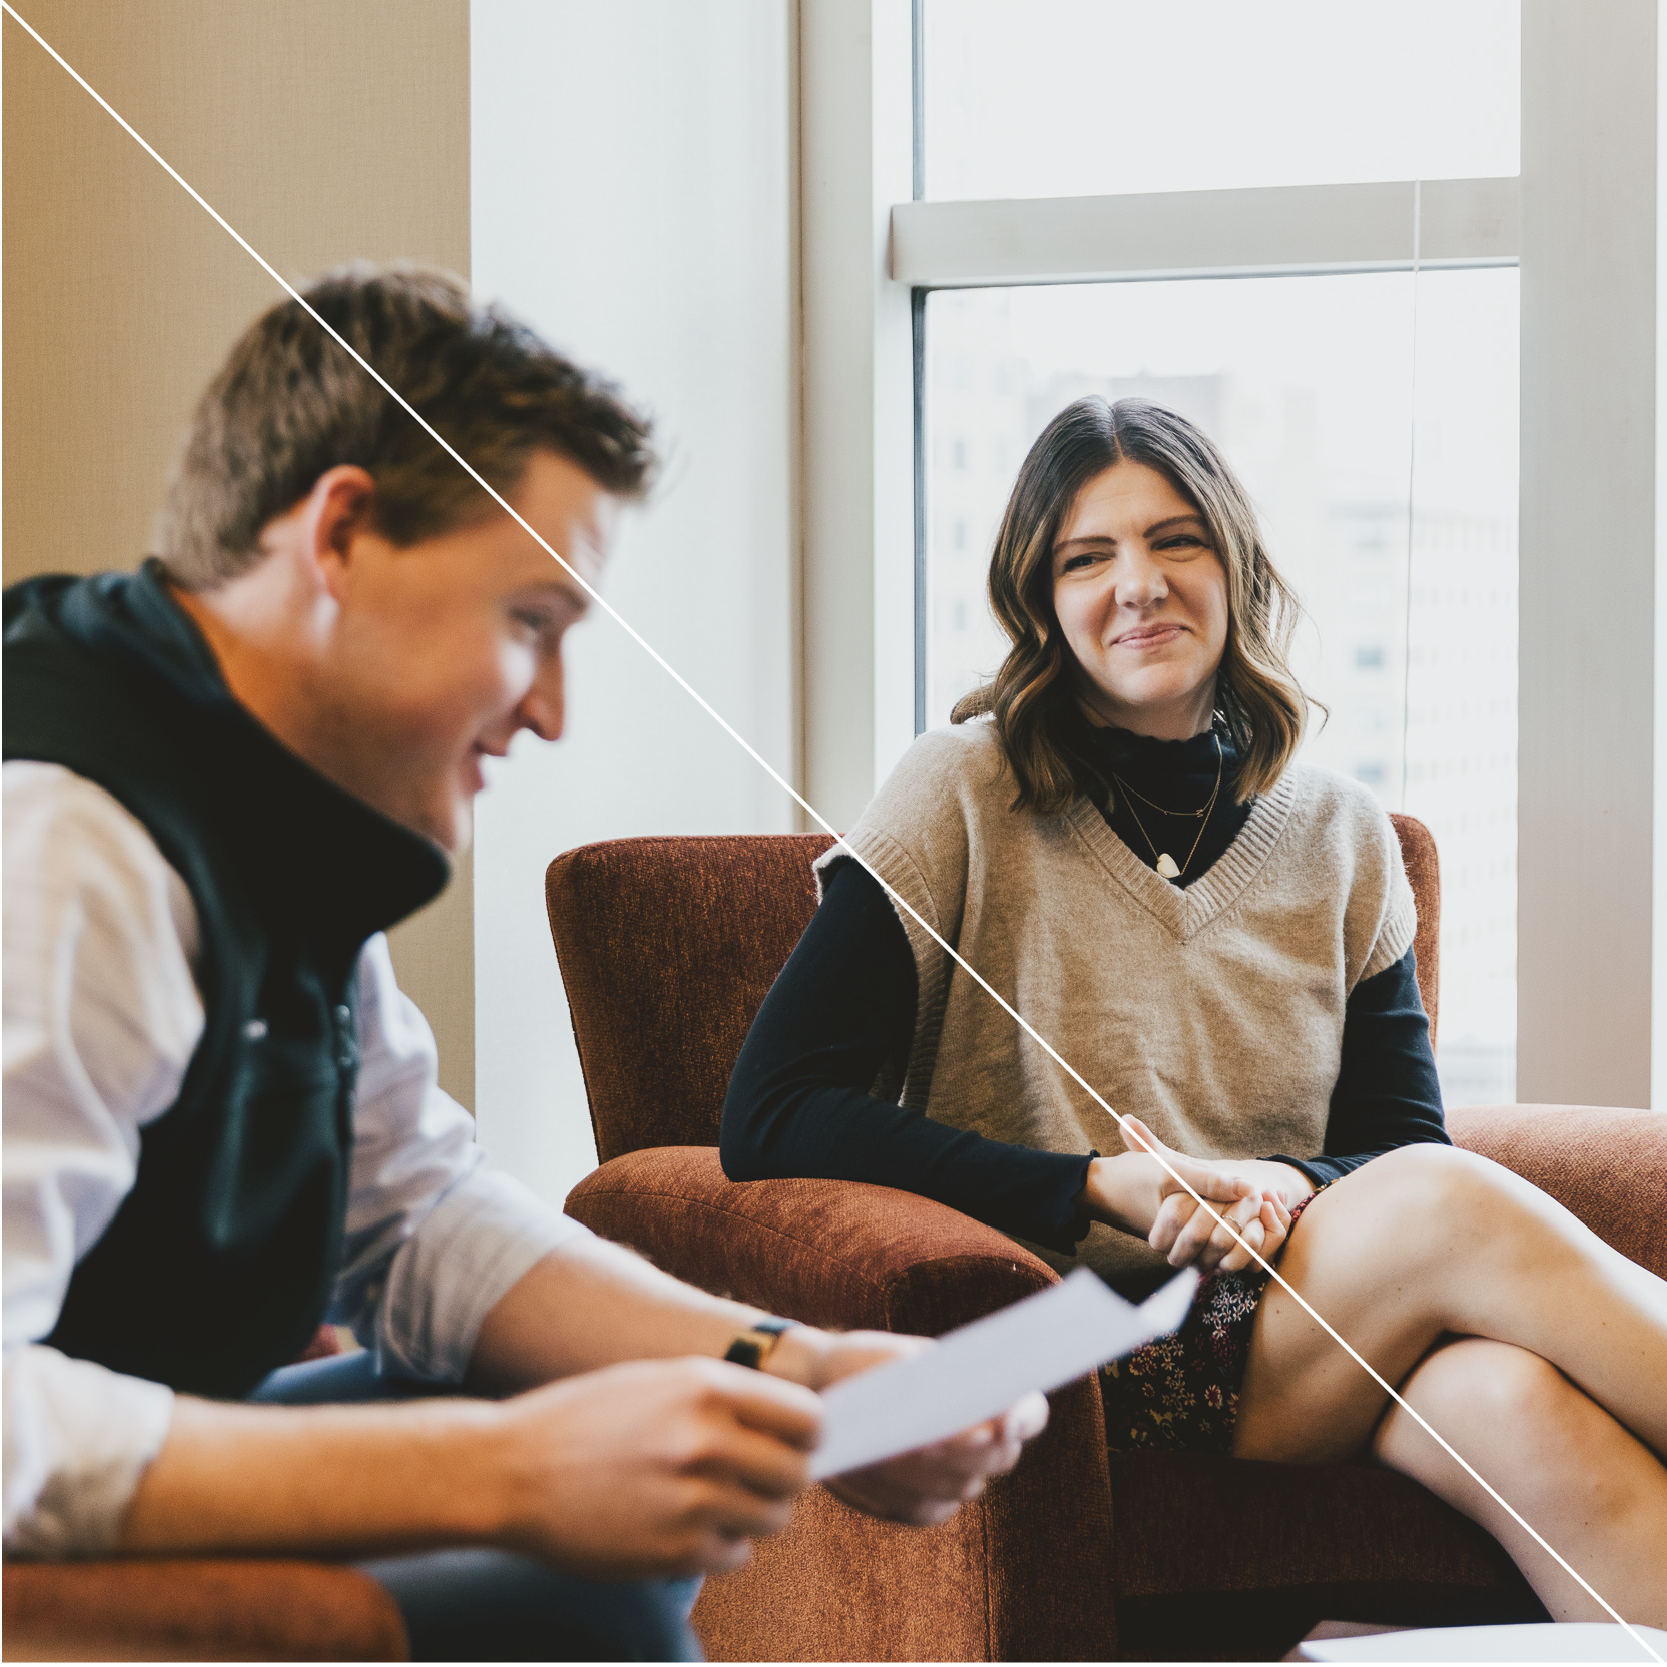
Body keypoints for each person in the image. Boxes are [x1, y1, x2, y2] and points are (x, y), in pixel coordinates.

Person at [1, 265, 1047, 1664]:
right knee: (574, 1587)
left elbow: (417, 1215)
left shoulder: (277, 819)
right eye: (529, 623)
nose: (549, 711)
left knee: (673, 1464)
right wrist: (508, 1474)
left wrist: (784, 1369)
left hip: (145, 1409)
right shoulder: (67, 844)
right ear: (345, 533)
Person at [722, 396, 1667, 1627]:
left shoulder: (1341, 832)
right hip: (1081, 1341)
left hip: (1296, 1330)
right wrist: (1090, 1187)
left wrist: (1278, 1186)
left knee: (1511, 1400)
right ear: (1040, 602)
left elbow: (1391, 1137)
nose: (1137, 585)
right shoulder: (958, 786)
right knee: (1445, 1201)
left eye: (1175, 541)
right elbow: (773, 1113)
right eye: (1085, 556)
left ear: (1234, 566)